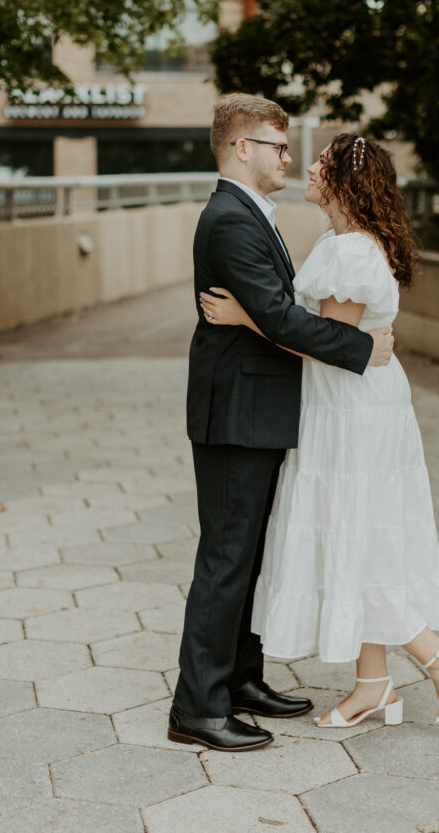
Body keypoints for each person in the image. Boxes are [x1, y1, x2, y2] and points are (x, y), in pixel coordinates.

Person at [199, 133, 439, 730]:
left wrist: (243, 315)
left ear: (342, 183)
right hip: (349, 402)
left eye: (321, 163)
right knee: (354, 535)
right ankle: (373, 686)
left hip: (351, 407)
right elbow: (334, 337)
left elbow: (329, 343)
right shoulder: (343, 243)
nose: (306, 165)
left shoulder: (351, 252)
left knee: (353, 537)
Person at [169, 96, 396, 753]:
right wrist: (360, 349)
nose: (286, 157)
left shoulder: (248, 214)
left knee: (247, 556)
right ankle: (198, 706)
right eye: (275, 145)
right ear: (242, 148)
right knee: (225, 559)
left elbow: (268, 313)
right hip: (236, 414)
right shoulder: (231, 220)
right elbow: (276, 316)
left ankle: (240, 681)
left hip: (256, 410)